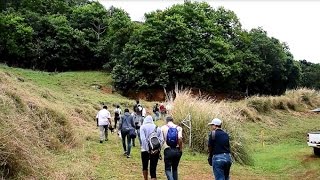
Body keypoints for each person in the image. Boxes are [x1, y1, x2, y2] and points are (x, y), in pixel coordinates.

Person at [140, 115, 164, 180]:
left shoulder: (142, 127)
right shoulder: (157, 128)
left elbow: (143, 139)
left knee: (145, 166)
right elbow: (162, 140)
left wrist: (147, 149)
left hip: (144, 150)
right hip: (155, 151)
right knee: (153, 169)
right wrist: (157, 149)